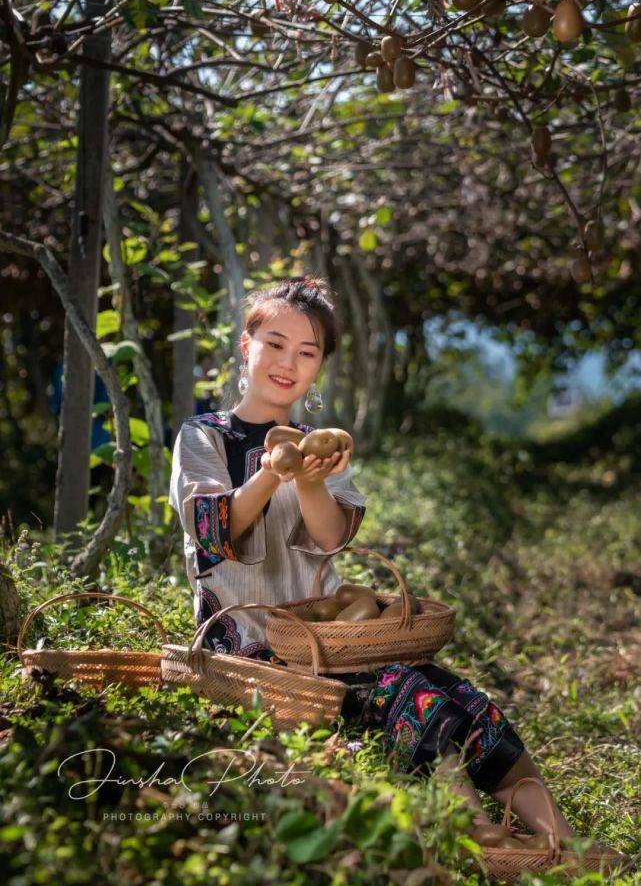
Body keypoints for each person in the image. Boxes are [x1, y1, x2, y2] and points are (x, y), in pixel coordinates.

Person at [168, 275, 619, 860]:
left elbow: (331, 536)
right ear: (246, 345)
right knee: (409, 691)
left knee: (465, 697)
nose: (288, 363)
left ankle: (565, 840)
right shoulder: (203, 437)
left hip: (335, 643)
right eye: (275, 344)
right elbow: (215, 530)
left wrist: (309, 476)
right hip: (251, 646)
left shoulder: (323, 445)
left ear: (320, 366)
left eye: (307, 352)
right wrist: (272, 471)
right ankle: (482, 834)